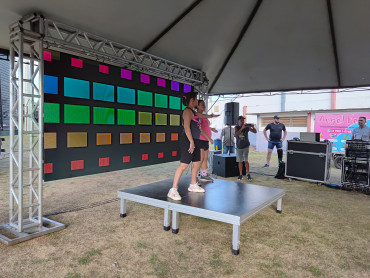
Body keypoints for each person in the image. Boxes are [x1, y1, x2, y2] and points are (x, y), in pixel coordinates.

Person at [167, 92, 218, 200]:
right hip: (188, 140)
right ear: (192, 100)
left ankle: (193, 184)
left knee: (197, 163)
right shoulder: (187, 111)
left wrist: (212, 116)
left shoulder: (193, 112)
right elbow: (186, 128)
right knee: (184, 165)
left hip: (195, 140)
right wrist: (191, 142)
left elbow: (202, 115)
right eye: (196, 99)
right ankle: (173, 190)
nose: (197, 101)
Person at [197, 100, 218, 182]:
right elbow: (200, 129)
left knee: (205, 158)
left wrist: (212, 129)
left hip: (205, 140)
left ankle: (204, 175)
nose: (204, 106)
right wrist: (210, 139)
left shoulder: (204, 116)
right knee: (200, 159)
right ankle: (195, 177)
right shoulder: (198, 116)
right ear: (197, 106)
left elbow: (206, 126)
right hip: (200, 140)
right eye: (201, 105)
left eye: (204, 105)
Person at [234, 116, 257, 180]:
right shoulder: (236, 127)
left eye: (243, 120)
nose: (242, 121)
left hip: (246, 146)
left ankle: (248, 174)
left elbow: (255, 131)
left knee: (246, 160)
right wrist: (241, 128)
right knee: (240, 161)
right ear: (238, 121)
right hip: (239, 147)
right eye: (241, 120)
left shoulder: (247, 127)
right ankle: (240, 174)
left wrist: (253, 127)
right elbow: (235, 135)